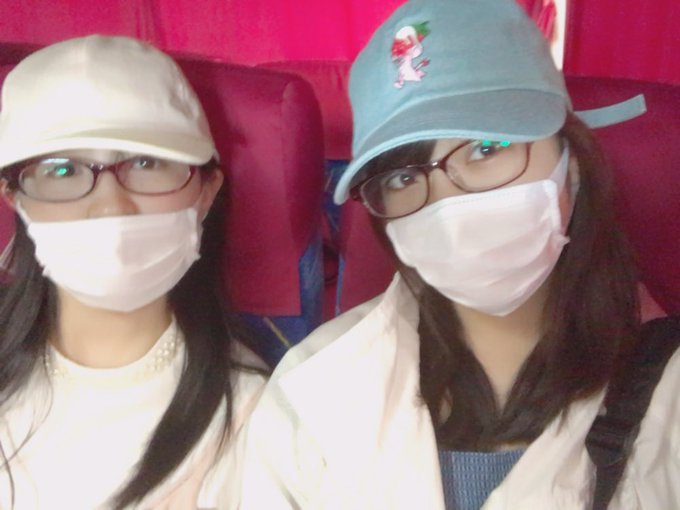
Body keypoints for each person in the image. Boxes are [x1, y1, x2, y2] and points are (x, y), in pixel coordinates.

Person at [240, 0, 680, 508]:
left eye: (487, 148)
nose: (449, 208)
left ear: (571, 162)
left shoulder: (667, 395)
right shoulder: (313, 393)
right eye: (404, 177)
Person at [0, 36, 265, 509]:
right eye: (62, 171)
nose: (110, 206)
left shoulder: (255, 414)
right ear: (16, 199)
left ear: (206, 192)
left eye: (147, 163)